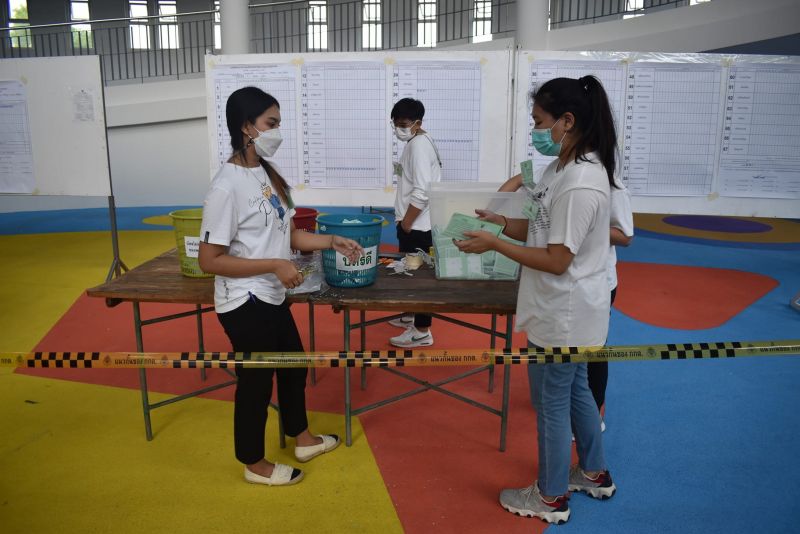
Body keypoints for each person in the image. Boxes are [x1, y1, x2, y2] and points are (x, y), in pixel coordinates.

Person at [454, 75, 618, 524]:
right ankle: (593, 471)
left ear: (567, 121)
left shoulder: (582, 180)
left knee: (552, 402)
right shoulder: (558, 170)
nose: (535, 131)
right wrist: (500, 223)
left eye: (539, 121)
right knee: (578, 390)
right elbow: (544, 229)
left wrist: (493, 245)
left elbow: (558, 258)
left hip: (566, 312)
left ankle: (549, 497)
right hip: (563, 309)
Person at [198, 87, 363, 486]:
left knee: (293, 368)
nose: (277, 131)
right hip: (243, 300)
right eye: (271, 123)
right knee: (256, 381)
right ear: (246, 127)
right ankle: (254, 463)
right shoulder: (226, 186)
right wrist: (273, 265)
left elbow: (291, 237)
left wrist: (330, 240)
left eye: (278, 124)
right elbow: (209, 260)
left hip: (271, 294)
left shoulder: (267, 174)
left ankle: (301, 438)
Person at [497, 168, 634, 434]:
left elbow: (624, 235)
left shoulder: (605, 182)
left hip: (590, 282)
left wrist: (577, 226)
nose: (541, 134)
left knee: (589, 355)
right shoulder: (550, 171)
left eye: (542, 124)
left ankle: (591, 416)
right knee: (565, 370)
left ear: (569, 125)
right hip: (555, 284)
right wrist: (501, 216)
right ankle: (581, 427)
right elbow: (528, 213)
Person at [387, 97, 442, 348]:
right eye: (396, 124)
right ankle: (410, 315)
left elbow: (422, 192)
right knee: (410, 274)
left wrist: (406, 224)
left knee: (419, 280)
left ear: (417, 123)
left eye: (404, 124)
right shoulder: (418, 140)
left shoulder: (419, 146)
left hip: (418, 227)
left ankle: (422, 331)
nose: (399, 128)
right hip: (416, 224)